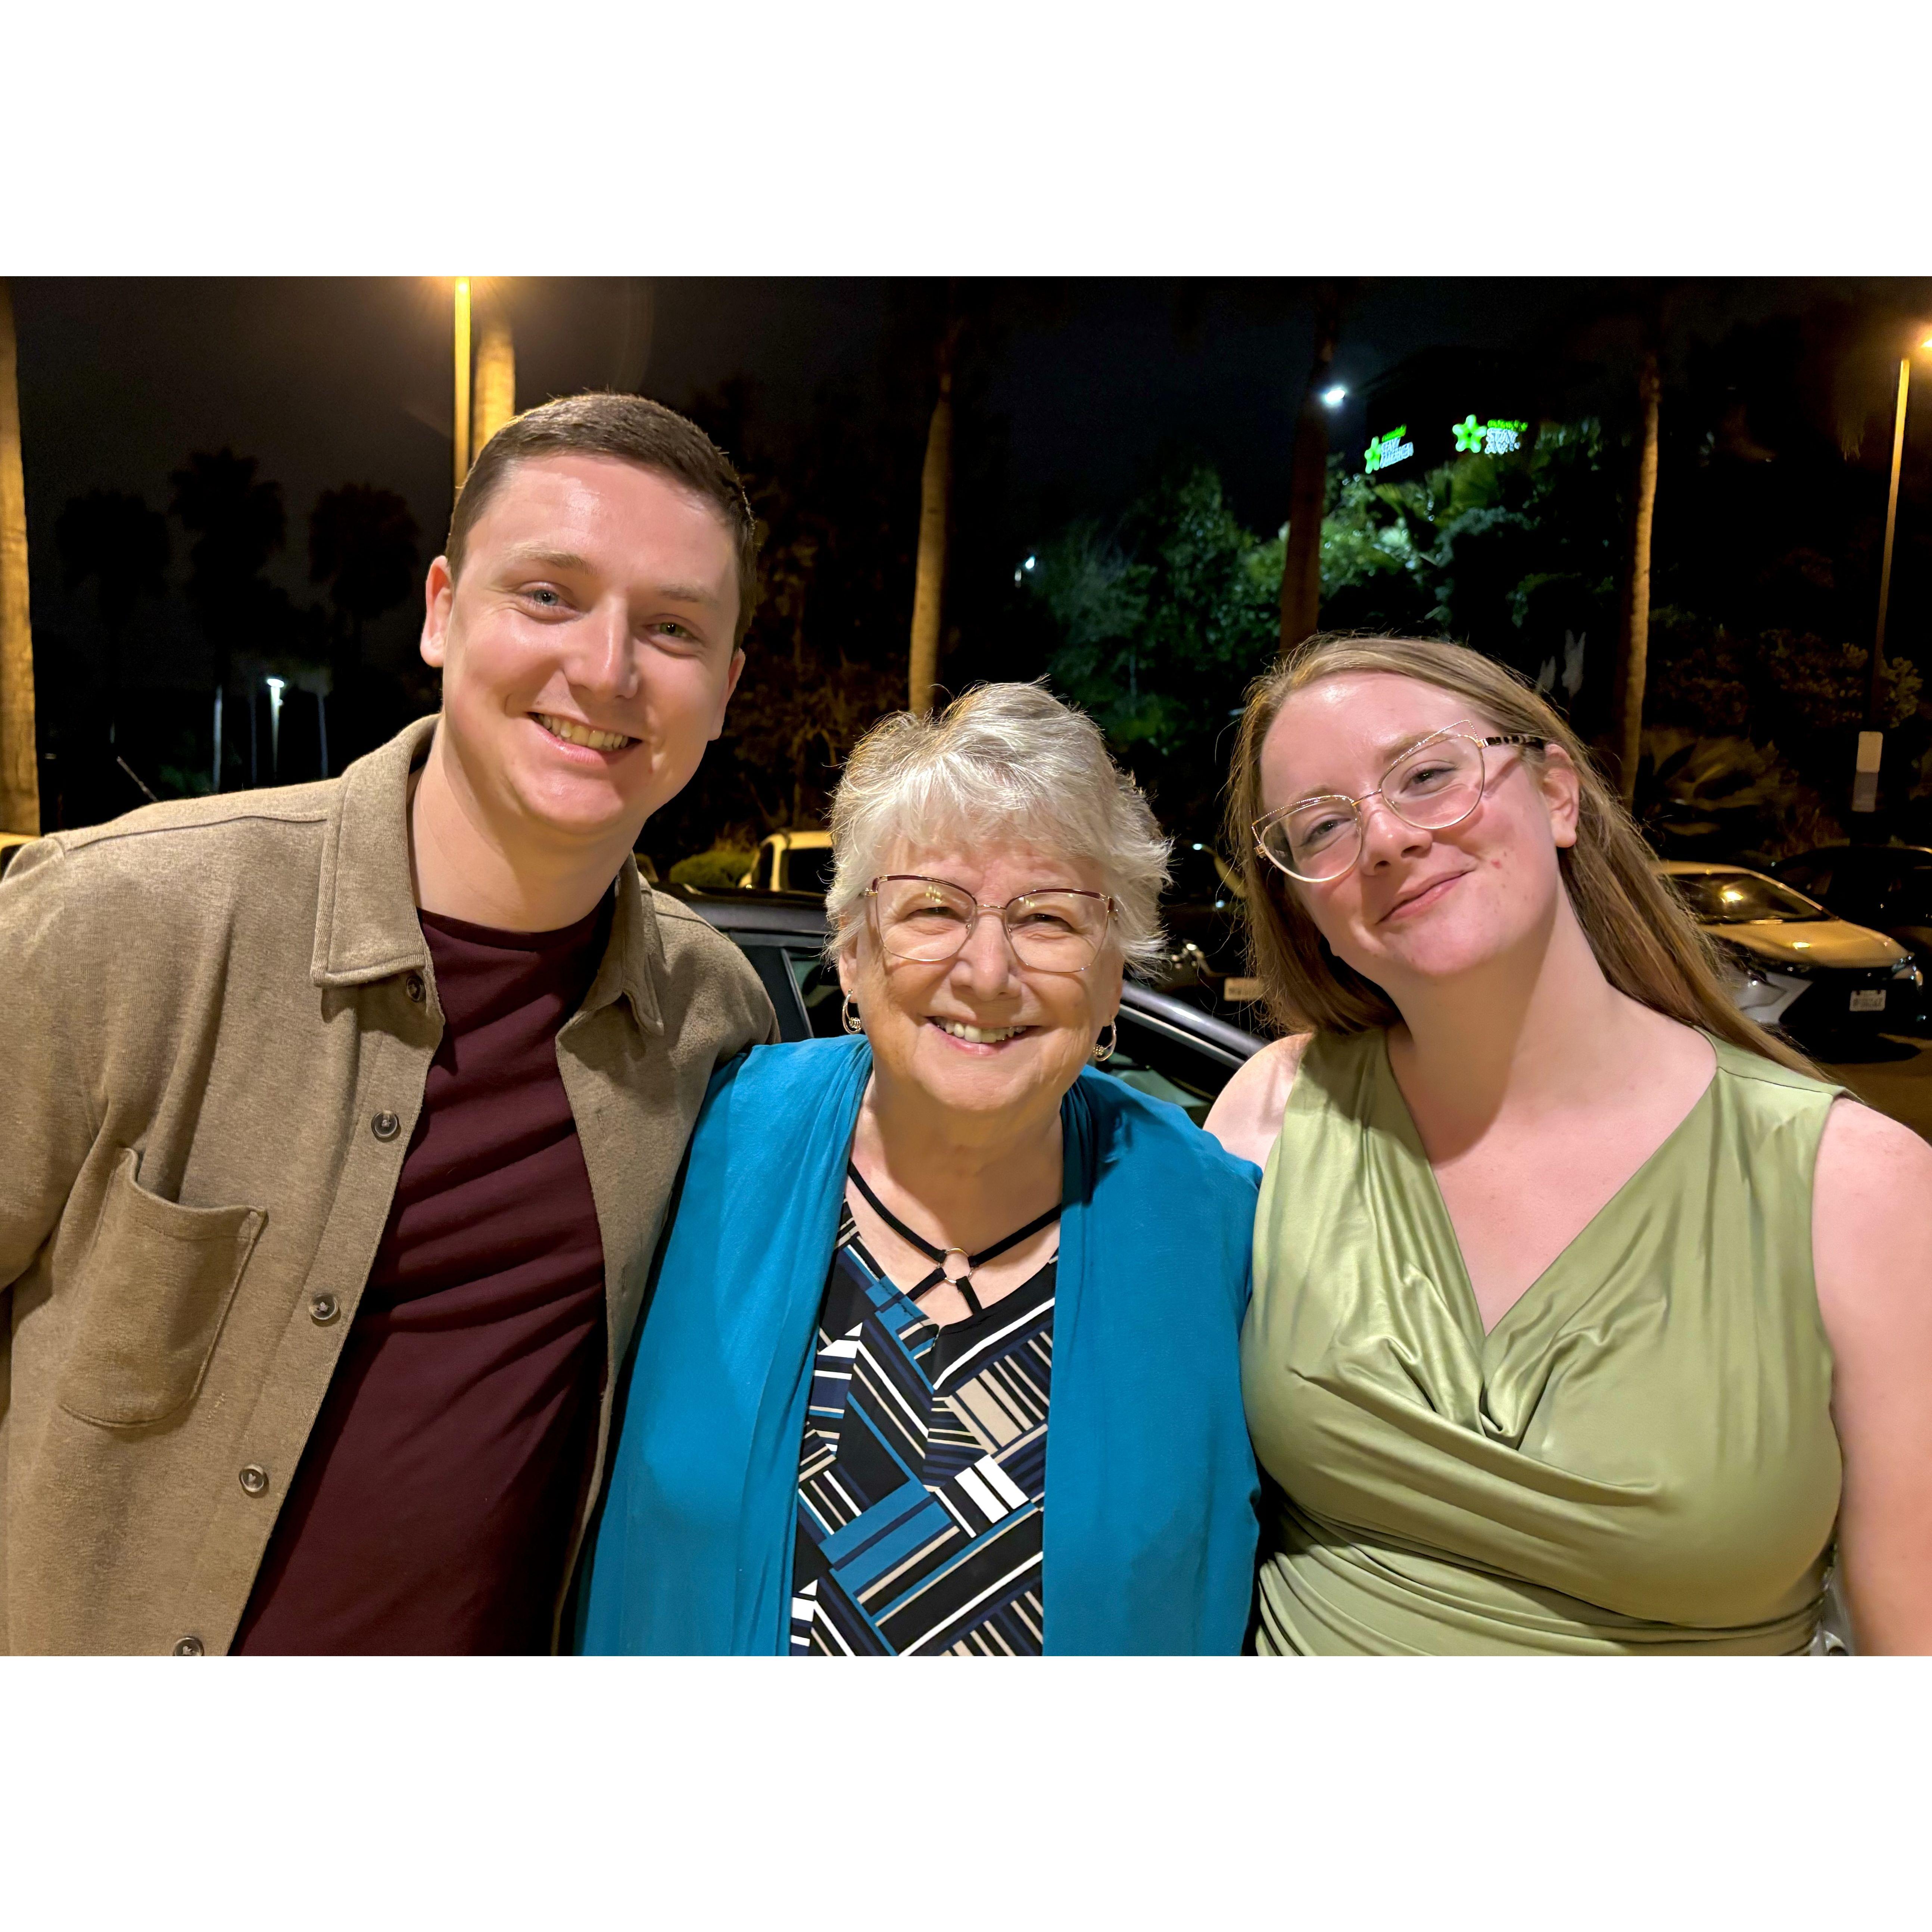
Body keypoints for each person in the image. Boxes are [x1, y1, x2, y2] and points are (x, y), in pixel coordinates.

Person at [0, 392, 777, 1655]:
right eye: (549, 595)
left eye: (674, 627)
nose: (605, 667)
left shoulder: (712, 1032)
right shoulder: (123, 923)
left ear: (728, 689)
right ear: (439, 610)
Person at [1205, 635, 1932, 1656]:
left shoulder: (1858, 1189)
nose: (1383, 841)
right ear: (1307, 911)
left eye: (1426, 775)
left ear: (1557, 794)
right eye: (1320, 827)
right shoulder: (1273, 1116)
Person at [576, 683, 1260, 1655]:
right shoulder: (698, 1145)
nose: (987, 971)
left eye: (1049, 921)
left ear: (1114, 973)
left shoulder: (1220, 1229)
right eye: (934, 909)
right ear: (852, 953)